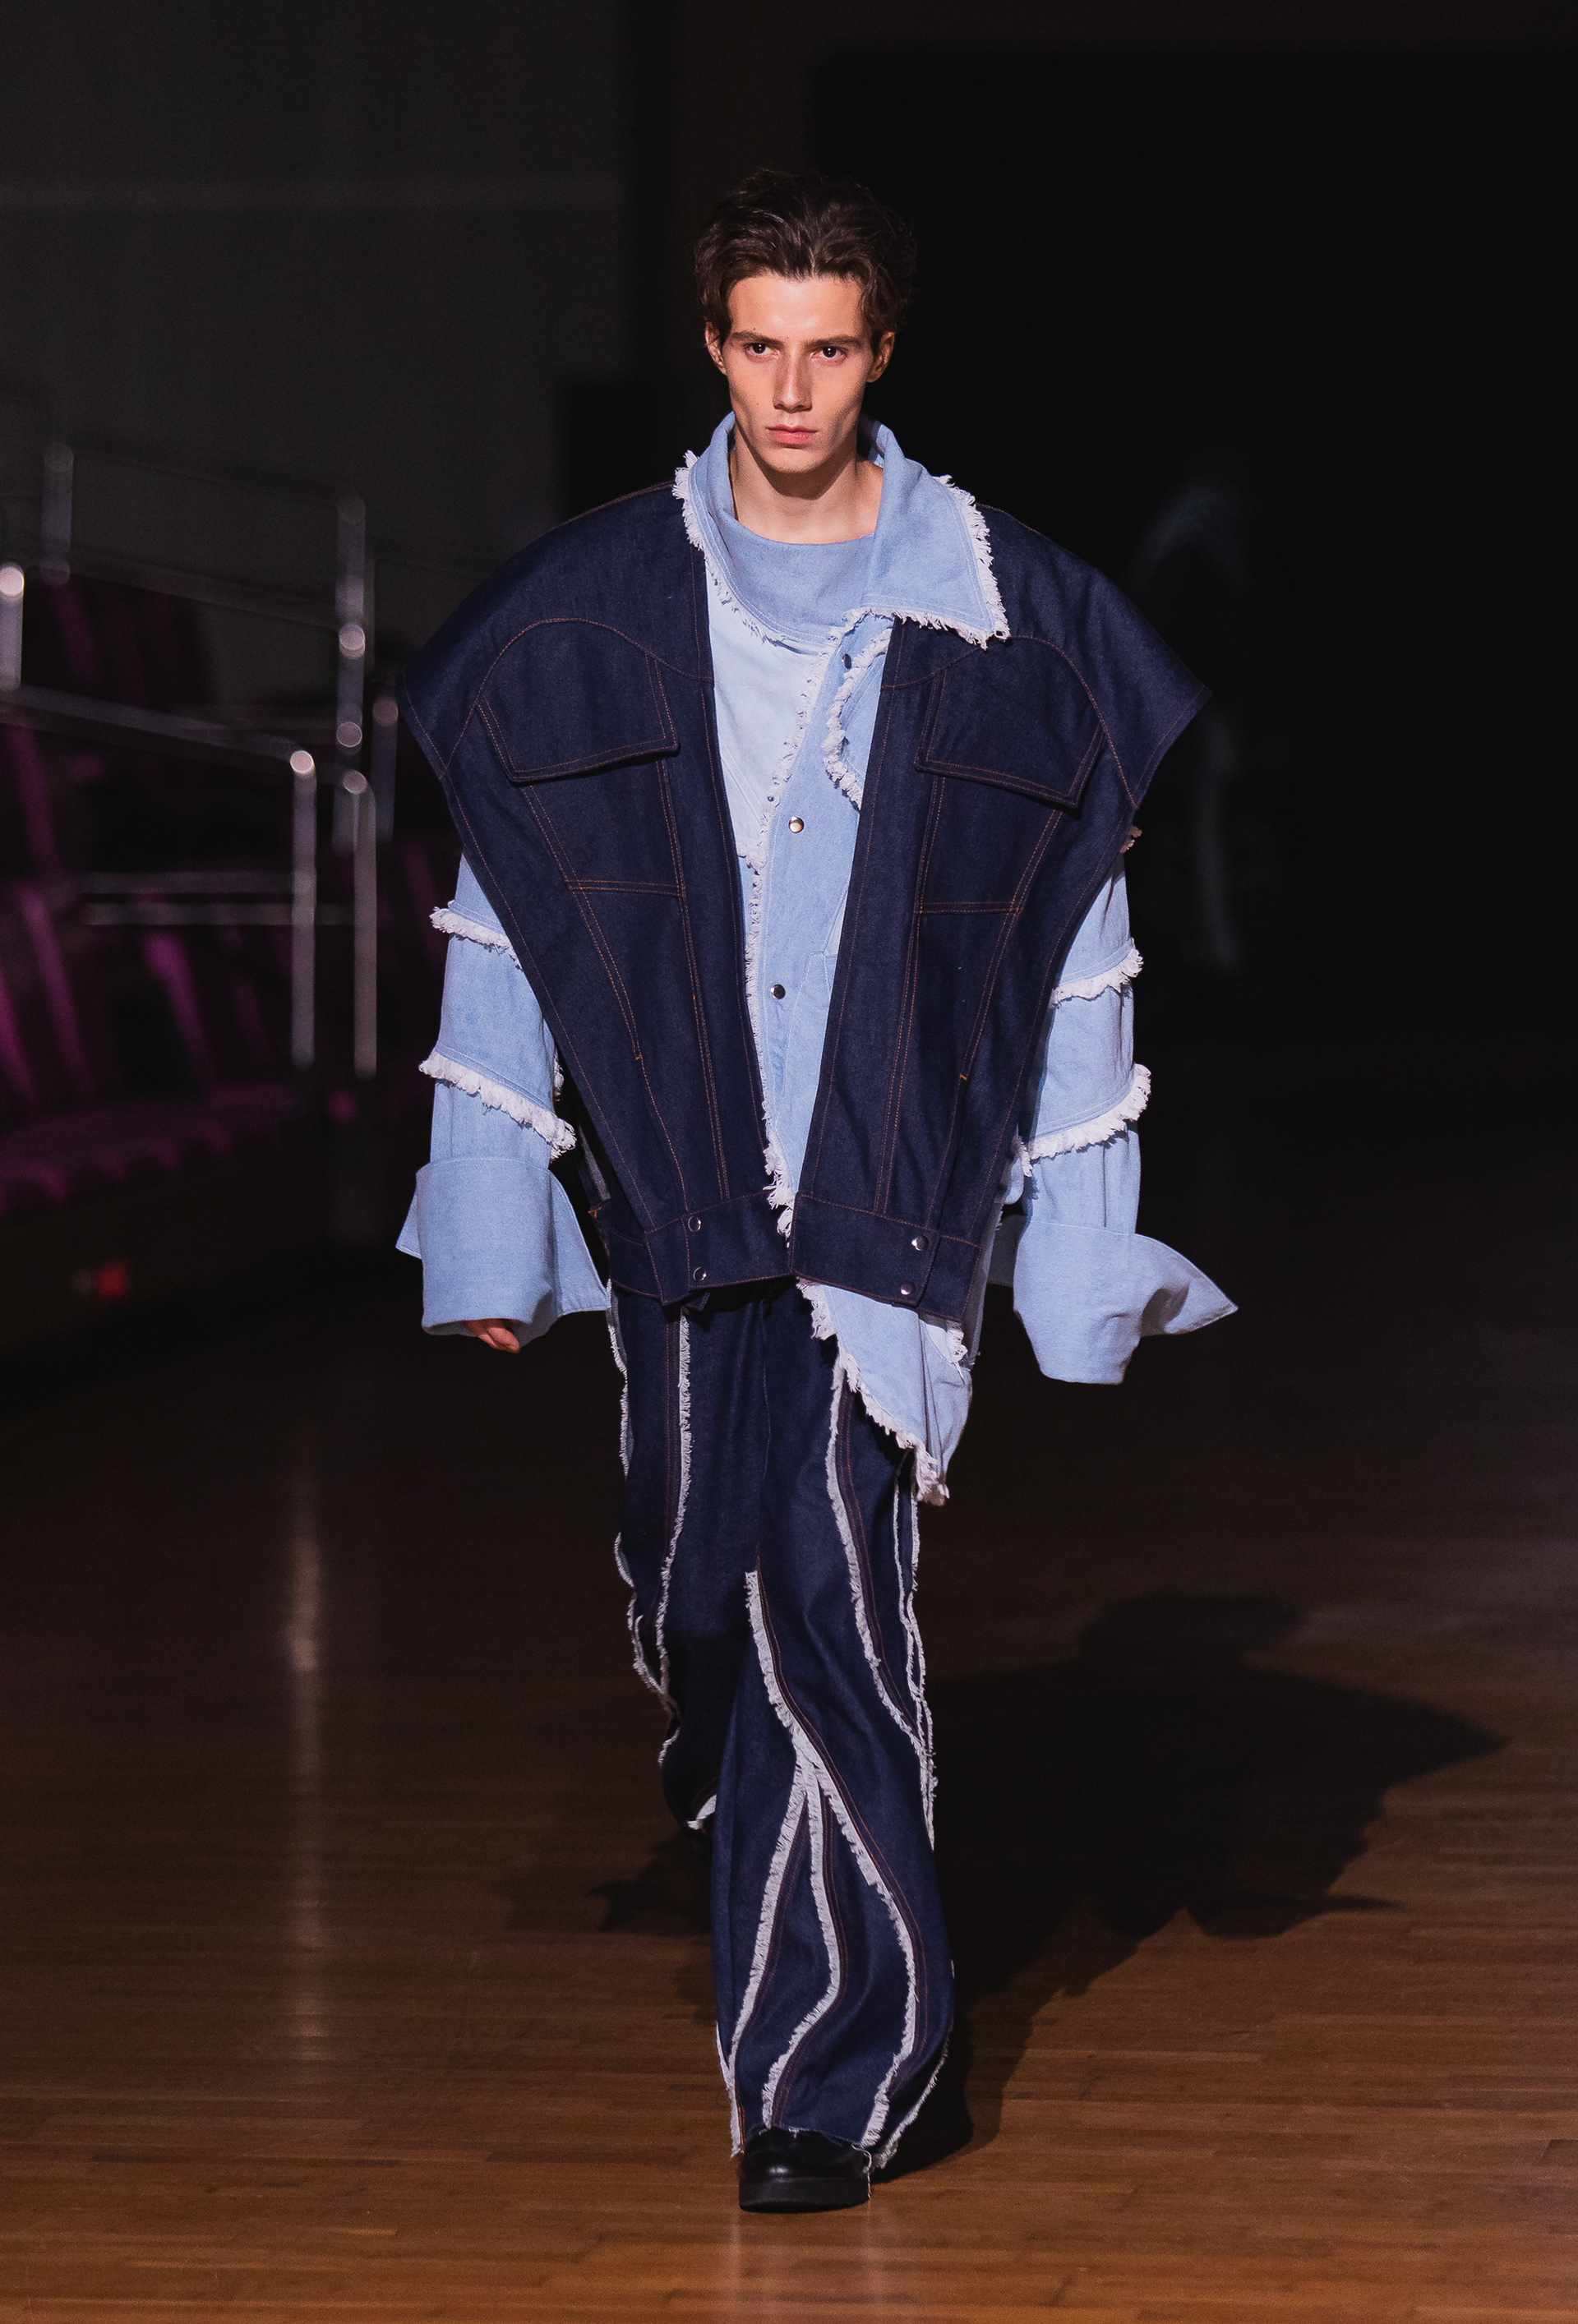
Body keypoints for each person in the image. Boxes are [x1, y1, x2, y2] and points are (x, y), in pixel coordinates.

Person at [396, 170, 1234, 2213]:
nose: (792, 389)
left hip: (887, 1195)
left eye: (829, 349)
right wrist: (489, 1219)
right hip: (681, 1185)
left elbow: (1078, 950)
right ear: (715, 346)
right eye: (760, 346)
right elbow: (511, 923)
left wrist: (1082, 1254)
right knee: (707, 1587)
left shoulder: (1016, 617)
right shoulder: (587, 610)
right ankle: (755, 1807)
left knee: (820, 1600)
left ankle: (836, 2081)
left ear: (882, 350)